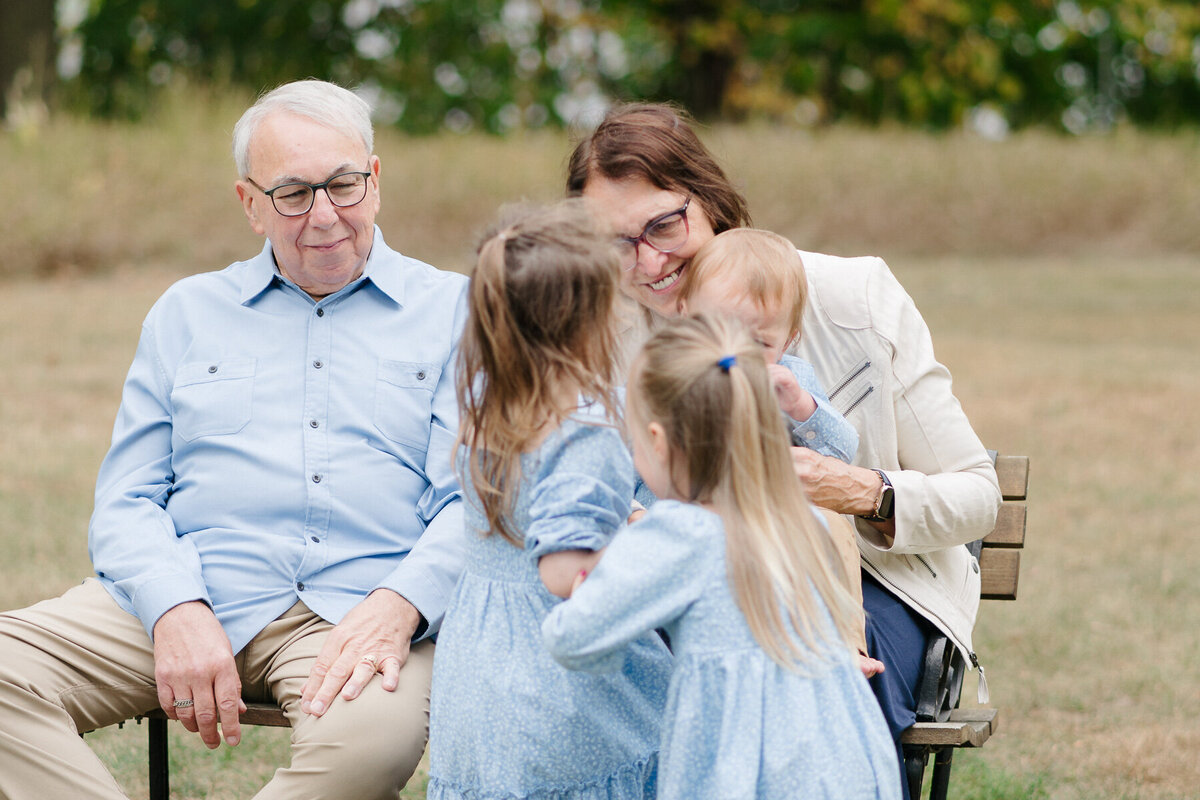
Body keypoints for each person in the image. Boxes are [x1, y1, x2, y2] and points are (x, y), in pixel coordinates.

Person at [0, 80, 468, 800]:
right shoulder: (187, 312)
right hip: (188, 592)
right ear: (250, 204)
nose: (324, 215)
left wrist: (399, 604)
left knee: (370, 744)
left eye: (343, 185)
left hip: (354, 614)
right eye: (293, 193)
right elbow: (126, 499)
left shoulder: (458, 312)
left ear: (375, 181)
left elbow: (475, 503)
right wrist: (175, 606)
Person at [567, 102, 1002, 798]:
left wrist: (860, 488)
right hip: (686, 576)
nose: (647, 263)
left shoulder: (849, 295)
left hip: (859, 581)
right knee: (620, 682)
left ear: (708, 199)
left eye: (663, 224)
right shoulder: (604, 333)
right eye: (615, 242)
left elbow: (979, 495)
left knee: (820, 694)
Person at [543, 314, 900, 800]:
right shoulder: (802, 519)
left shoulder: (679, 535)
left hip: (744, 770)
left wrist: (589, 587)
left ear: (657, 442)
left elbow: (573, 638)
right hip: (840, 761)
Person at [426, 201, 671, 800]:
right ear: (586, 323)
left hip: (481, 671)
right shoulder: (586, 432)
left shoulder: (491, 415)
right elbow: (565, 569)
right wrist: (645, 543)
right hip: (565, 691)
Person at [678, 226, 872, 659]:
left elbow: (841, 455)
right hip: (694, 520)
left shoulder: (793, 379)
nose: (735, 351)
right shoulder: (671, 376)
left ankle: (847, 647)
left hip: (775, 525)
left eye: (760, 342)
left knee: (833, 527)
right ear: (685, 313)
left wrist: (802, 406)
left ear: (788, 339)